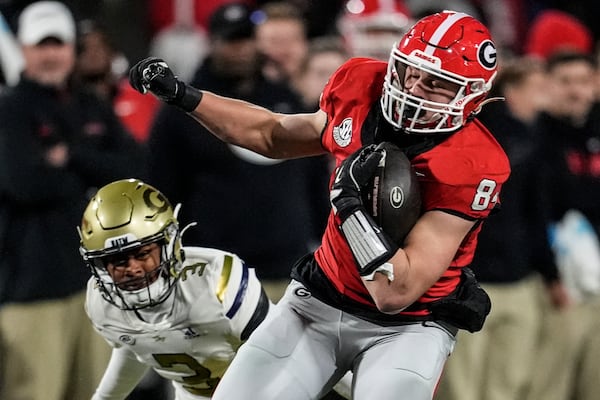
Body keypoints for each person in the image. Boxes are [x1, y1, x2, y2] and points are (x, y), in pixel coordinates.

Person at [129, 10, 510, 400]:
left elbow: (396, 293)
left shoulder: (472, 164)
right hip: (320, 301)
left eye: (436, 84)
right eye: (410, 72)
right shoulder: (362, 85)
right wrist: (185, 97)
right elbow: (271, 134)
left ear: (471, 98)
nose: (414, 88)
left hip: (408, 326)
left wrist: (351, 209)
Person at [0, 2, 146, 400]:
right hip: (31, 289)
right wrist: (93, 178)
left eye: (58, 45)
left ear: (71, 50)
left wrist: (72, 156)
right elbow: (23, 182)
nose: (50, 55)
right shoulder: (9, 108)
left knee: (99, 394)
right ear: (25, 49)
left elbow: (135, 173)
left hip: (97, 289)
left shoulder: (90, 105)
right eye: (41, 45)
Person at [147, 2, 330, 303]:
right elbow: (163, 190)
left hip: (290, 268)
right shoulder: (182, 110)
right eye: (232, 40)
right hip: (216, 273)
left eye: (246, 39)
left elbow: (311, 178)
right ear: (212, 43)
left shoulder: (285, 98)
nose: (241, 49)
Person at [79, 178, 272, 399]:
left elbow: (278, 351)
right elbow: (136, 347)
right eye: (117, 260)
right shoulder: (100, 302)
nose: (132, 269)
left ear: (169, 243)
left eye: (142, 254)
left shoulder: (217, 279)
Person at [433, 56, 556, 400]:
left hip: (511, 277)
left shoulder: (535, 138)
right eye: (538, 88)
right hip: (475, 277)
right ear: (512, 92)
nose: (544, 96)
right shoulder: (479, 139)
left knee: (503, 379)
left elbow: (536, 214)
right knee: (470, 383)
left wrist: (548, 272)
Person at [524, 51, 600, 400]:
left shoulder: (595, 132)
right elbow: (532, 213)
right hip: (558, 285)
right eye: (566, 81)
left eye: (583, 81)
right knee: (549, 385)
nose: (575, 91)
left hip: (596, 280)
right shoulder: (533, 139)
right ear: (548, 85)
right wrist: (551, 277)